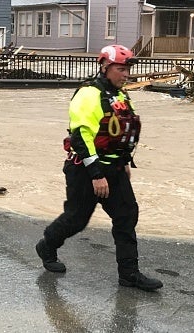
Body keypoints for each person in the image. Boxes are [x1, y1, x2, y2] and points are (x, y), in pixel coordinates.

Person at [35, 44, 163, 292]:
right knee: (76, 220)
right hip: (86, 170)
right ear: (105, 67)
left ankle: (129, 274)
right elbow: (80, 138)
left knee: (127, 216)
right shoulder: (88, 94)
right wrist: (96, 175)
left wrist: (124, 163)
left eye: (127, 69)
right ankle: (46, 246)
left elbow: (120, 131)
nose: (125, 74)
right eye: (120, 69)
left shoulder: (120, 96)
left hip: (114, 168)